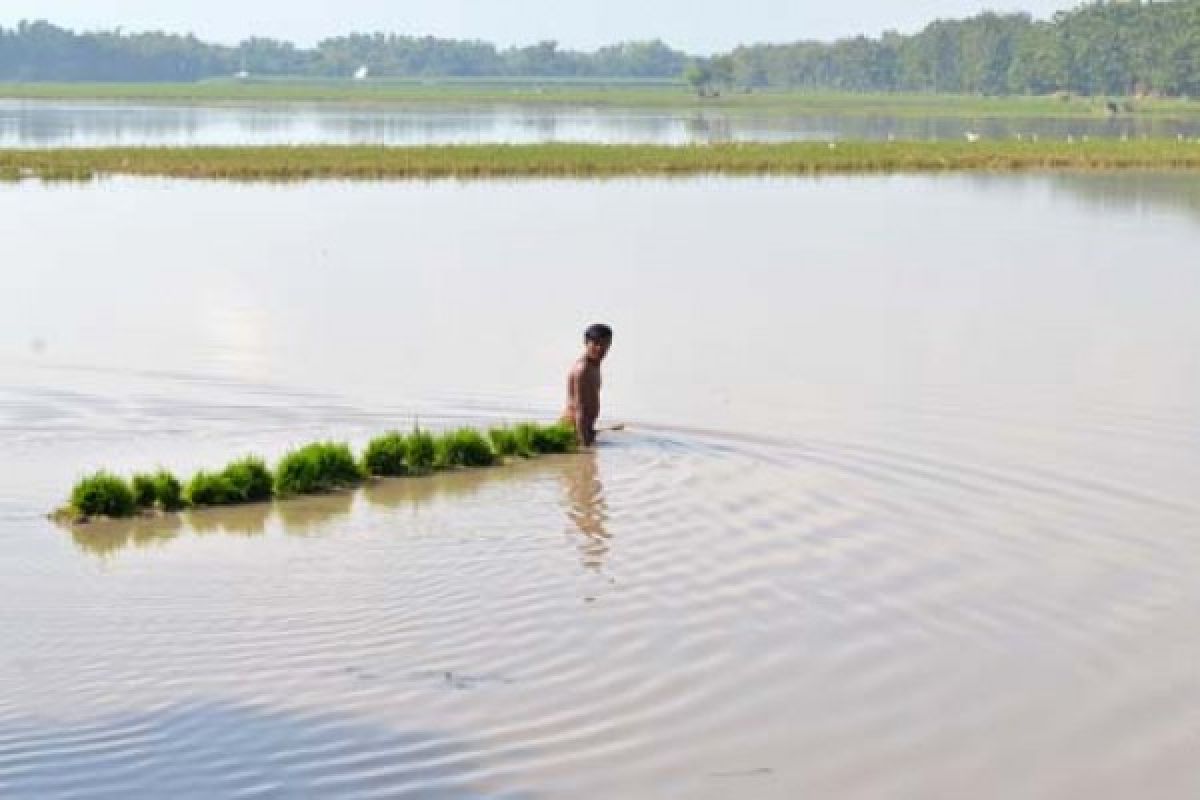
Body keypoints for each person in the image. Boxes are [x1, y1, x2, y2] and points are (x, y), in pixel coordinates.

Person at [562, 324, 613, 447]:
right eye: (595, 343)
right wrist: (584, 444)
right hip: (573, 432)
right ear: (586, 342)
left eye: (605, 344)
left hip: (582, 429)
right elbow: (580, 409)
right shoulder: (583, 369)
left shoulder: (594, 365)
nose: (600, 348)